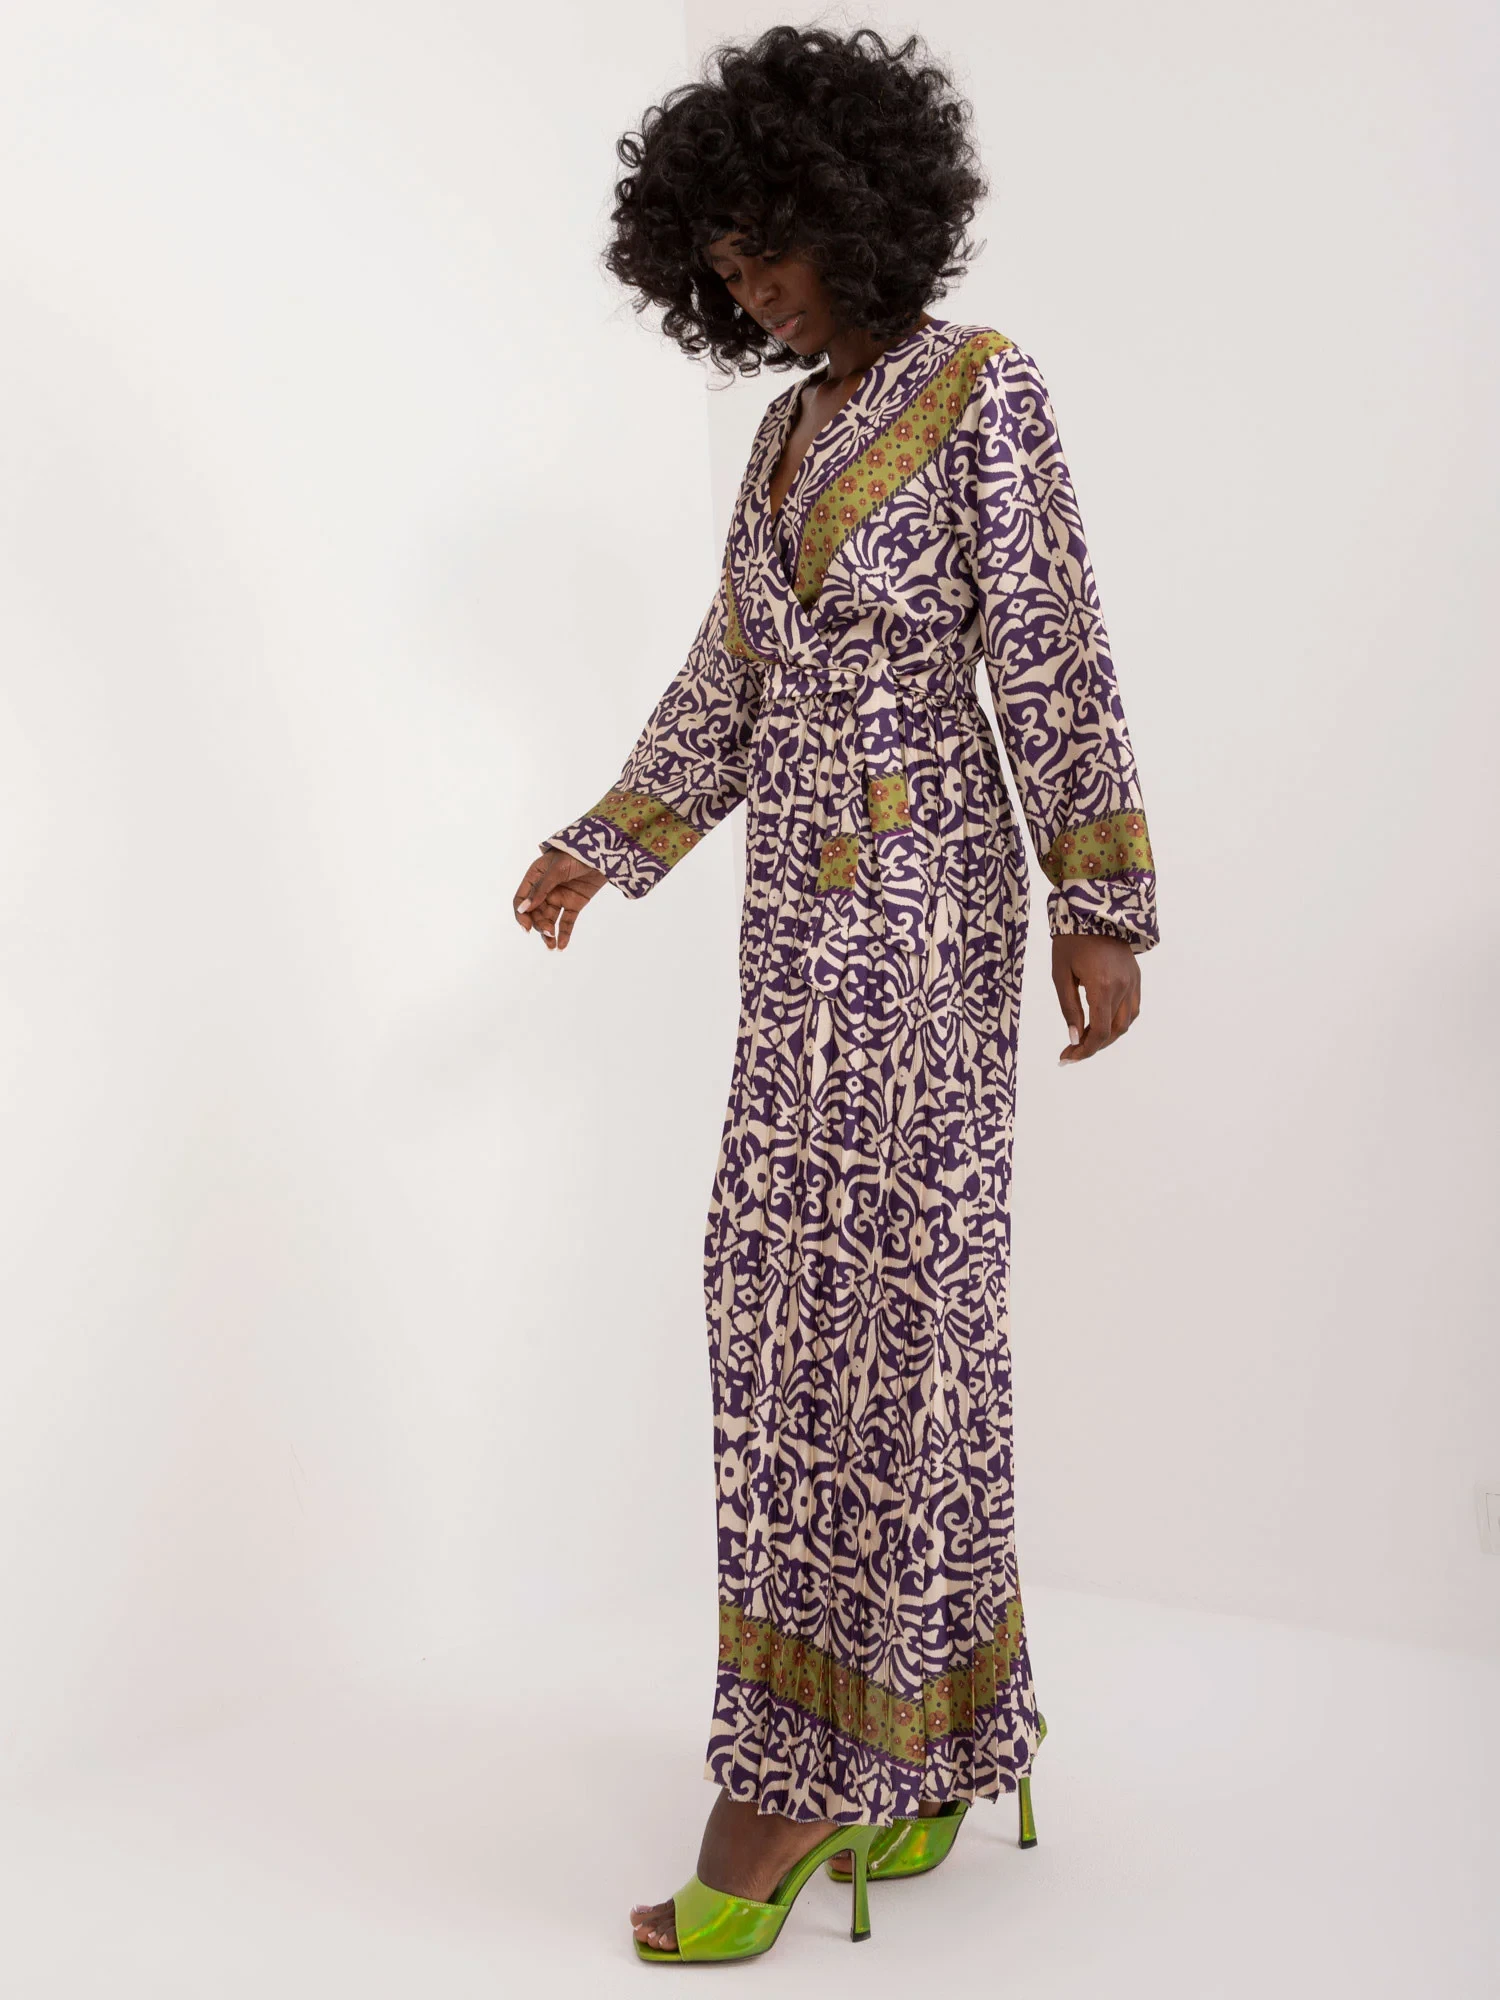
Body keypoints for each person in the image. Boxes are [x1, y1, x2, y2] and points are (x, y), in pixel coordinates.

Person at [513, 24, 1159, 1965]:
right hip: (795, 940)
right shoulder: (790, 432)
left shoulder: (983, 389)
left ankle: (795, 1780)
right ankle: (943, 1735)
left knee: (882, 1315)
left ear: (858, 213)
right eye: (719, 261)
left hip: (927, 924)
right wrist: (608, 838)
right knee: (790, 1296)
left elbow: (1051, 641)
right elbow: (732, 673)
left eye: (769, 245)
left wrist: (1102, 903)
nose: (748, 286)